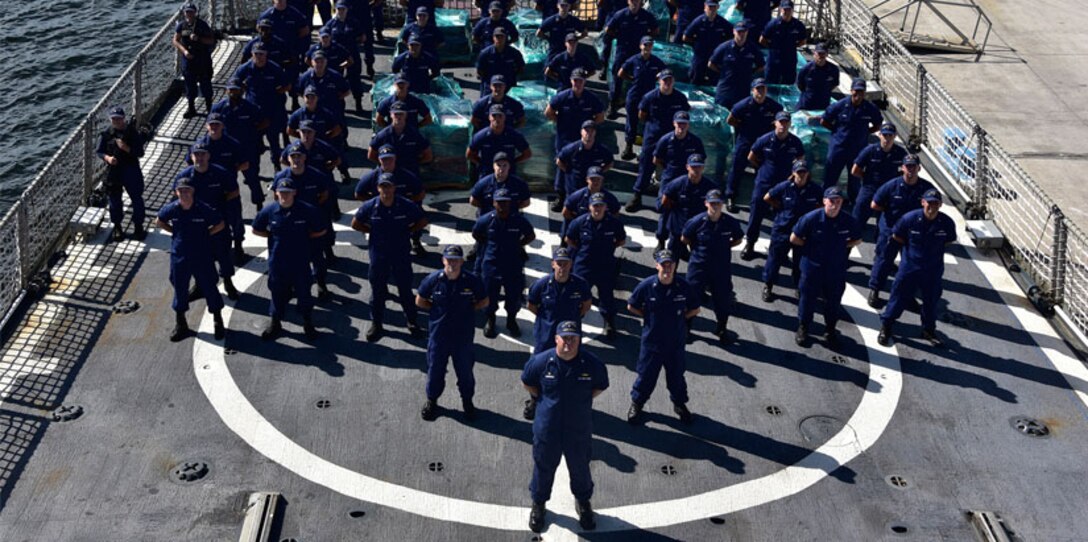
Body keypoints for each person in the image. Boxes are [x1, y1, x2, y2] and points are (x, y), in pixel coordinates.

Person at [522, 320, 609, 533]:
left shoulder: (591, 364)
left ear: (579, 339)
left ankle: (583, 502)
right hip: (547, 429)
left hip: (578, 429)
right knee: (543, 468)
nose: (568, 343)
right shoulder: (541, 362)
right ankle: (539, 504)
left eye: (573, 338)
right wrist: (541, 400)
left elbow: (600, 386)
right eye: (564, 338)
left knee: (580, 467)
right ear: (556, 339)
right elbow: (528, 381)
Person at [351, 173, 428, 342]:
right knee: (377, 292)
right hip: (379, 255)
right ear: (378, 188)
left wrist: (409, 231)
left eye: (389, 186)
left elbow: (422, 220)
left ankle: (412, 321)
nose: (386, 190)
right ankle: (377, 323)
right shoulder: (371, 206)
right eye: (383, 186)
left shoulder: (405, 205)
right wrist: (372, 232)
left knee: (405, 291)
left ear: (394, 188)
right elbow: (355, 223)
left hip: (400, 254)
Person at [627, 249, 700, 424]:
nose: (667, 268)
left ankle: (680, 404)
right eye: (664, 265)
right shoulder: (646, 286)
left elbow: (695, 309)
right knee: (645, 376)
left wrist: (682, 319)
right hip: (652, 343)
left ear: (675, 266)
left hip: (675, 344)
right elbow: (631, 305)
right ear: (657, 265)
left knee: (676, 377)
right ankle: (637, 403)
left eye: (670, 265)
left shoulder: (683, 286)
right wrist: (646, 316)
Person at [417, 245, 489, 421]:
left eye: (456, 260)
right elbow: (420, 300)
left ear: (462, 261)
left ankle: (467, 402)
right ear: (443, 260)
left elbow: (484, 301)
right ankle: (432, 400)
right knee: (435, 371)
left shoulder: (471, 281)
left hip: (462, 338)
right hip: (439, 336)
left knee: (465, 373)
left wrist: (469, 309)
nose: (453, 263)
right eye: (449, 260)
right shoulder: (433, 280)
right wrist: (436, 312)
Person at [878, 189, 956, 347]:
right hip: (909, 269)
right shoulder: (909, 219)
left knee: (931, 302)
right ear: (923, 202)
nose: (932, 207)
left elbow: (949, 240)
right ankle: (886, 326)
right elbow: (896, 237)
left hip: (933, 271)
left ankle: (928, 330)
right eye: (929, 203)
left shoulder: (946, 223)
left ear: (940, 205)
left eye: (935, 203)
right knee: (898, 298)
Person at [251, 178, 327, 341]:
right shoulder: (270, 211)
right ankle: (275, 322)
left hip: (300, 262)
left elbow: (320, 230)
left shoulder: (306, 210)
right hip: (278, 262)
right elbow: (257, 229)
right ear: (277, 193)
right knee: (277, 293)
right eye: (282, 193)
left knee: (304, 293)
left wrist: (305, 238)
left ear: (294, 193)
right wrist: (272, 236)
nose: (285, 196)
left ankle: (307, 323)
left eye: (288, 192)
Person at [790, 187, 862, 347]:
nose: (835, 205)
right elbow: (794, 238)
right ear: (824, 201)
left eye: (838, 202)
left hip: (835, 270)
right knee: (807, 300)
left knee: (833, 302)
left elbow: (857, 239)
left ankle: (830, 330)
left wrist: (841, 247)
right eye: (831, 201)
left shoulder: (848, 221)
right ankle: (804, 327)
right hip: (812, 269)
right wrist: (810, 248)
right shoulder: (811, 218)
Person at [156, 179, 226, 342]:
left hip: (201, 255)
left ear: (193, 192)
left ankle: (217, 320)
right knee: (179, 287)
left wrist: (207, 234)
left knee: (210, 286)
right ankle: (181, 323)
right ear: (177, 193)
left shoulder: (202, 209)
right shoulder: (173, 208)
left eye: (187, 190)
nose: (185, 194)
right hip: (180, 256)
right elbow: (159, 221)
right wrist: (174, 232)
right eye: (181, 191)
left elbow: (220, 224)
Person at [867, 154, 935, 307]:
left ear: (919, 168)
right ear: (902, 168)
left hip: (913, 233)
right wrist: (889, 212)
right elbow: (874, 204)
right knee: (883, 260)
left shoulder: (926, 188)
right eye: (908, 166)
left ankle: (906, 294)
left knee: (910, 265)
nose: (910, 170)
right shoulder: (891, 186)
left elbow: (934, 206)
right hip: (890, 230)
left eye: (914, 166)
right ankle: (875, 290)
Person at [176, 143, 241, 301]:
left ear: (208, 156)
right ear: (191, 157)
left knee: (224, 255)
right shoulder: (184, 177)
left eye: (202, 154)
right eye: (196, 154)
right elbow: (176, 197)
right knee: (198, 258)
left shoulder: (220, 173)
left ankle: (228, 282)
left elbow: (234, 190)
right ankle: (200, 286)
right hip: (197, 226)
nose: (200, 158)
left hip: (218, 225)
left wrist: (221, 207)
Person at [273, 144, 336, 301]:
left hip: (311, 222)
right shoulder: (281, 177)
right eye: (293, 156)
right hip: (291, 225)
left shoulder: (316, 175)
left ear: (305, 157)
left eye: (299, 156)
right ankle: (293, 286)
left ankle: (321, 283)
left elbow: (324, 193)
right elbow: (276, 197)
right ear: (288, 159)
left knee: (317, 256)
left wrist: (313, 211)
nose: (296, 159)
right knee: (292, 259)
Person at [741, 110, 805, 259]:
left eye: (786, 122)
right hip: (764, 182)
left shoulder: (795, 142)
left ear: (789, 124)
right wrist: (762, 169)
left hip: (784, 184)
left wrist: (792, 175)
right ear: (775, 123)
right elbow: (752, 156)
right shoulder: (764, 140)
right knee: (756, 214)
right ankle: (750, 243)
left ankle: (778, 250)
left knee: (784, 217)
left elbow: (801, 158)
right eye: (780, 122)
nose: (783, 125)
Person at [681, 189, 744, 341]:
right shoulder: (697, 221)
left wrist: (724, 247)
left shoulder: (730, 222)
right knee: (691, 298)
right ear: (706, 203)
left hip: (720, 268)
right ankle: (686, 328)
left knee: (723, 299)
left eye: (718, 203)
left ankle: (721, 328)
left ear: (722, 204)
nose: (715, 206)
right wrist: (697, 250)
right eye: (712, 203)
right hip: (699, 266)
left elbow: (738, 239)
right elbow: (685, 238)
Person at [472, 188, 536, 338]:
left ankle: (511, 320)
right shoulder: (486, 220)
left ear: (510, 203)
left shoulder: (518, 220)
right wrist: (488, 245)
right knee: (490, 295)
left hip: (512, 265)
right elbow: (476, 233)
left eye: (505, 202)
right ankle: (491, 320)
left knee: (513, 296)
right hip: (491, 264)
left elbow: (530, 235)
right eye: (499, 203)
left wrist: (519, 245)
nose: (502, 206)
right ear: (494, 203)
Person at [565, 191, 626, 339]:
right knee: (577, 294)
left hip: (605, 265)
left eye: (601, 205)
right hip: (584, 265)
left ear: (606, 207)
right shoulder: (579, 222)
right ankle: (574, 322)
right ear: (589, 207)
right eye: (595, 206)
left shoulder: (614, 223)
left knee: (606, 295)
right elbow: (569, 239)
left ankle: (609, 322)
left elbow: (621, 240)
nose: (597, 209)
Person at [629, 70, 691, 211]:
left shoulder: (680, 98)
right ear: (659, 81)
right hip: (653, 137)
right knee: (646, 166)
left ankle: (667, 198)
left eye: (670, 80)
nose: (667, 83)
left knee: (671, 168)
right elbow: (642, 115)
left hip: (672, 139)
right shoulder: (650, 97)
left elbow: (686, 114)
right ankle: (637, 195)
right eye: (664, 80)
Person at [761, 159, 822, 302]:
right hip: (783, 229)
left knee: (800, 262)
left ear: (808, 173)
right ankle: (768, 285)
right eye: (798, 172)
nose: (801, 175)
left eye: (804, 172)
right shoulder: (784, 187)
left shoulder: (815, 189)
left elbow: (822, 204)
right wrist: (779, 207)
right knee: (774, 259)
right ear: (793, 173)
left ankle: (798, 287)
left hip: (803, 233)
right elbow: (767, 197)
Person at [545, 68, 605, 209]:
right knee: (563, 168)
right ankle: (561, 197)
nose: (578, 83)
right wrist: (560, 122)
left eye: (581, 81)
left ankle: (584, 198)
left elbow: (600, 116)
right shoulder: (563, 97)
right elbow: (549, 112)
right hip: (565, 138)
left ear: (585, 82)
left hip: (584, 140)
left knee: (583, 168)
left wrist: (589, 129)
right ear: (571, 81)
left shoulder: (591, 98)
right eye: (576, 80)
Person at [356, 145, 427, 255]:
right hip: (381, 210)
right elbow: (358, 193)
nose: (387, 162)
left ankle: (416, 242)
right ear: (379, 160)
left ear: (395, 159)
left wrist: (407, 203)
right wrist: (373, 202)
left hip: (402, 210)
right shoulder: (371, 177)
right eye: (384, 159)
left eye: (390, 159)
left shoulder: (406, 175)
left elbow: (420, 193)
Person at [724, 78, 782, 212]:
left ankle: (763, 201)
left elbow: (778, 121)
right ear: (752, 90)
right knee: (737, 169)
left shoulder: (773, 107)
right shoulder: (743, 105)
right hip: (746, 141)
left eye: (763, 89)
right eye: (758, 89)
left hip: (763, 144)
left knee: (763, 173)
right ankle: (730, 196)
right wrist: (743, 128)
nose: (761, 92)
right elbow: (730, 120)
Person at [232, 42, 291, 170]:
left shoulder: (274, 68)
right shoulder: (245, 68)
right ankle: (255, 169)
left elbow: (287, 85)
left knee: (274, 142)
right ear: (252, 55)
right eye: (256, 54)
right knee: (253, 144)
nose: (259, 57)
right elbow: (234, 83)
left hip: (271, 111)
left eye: (261, 54)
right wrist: (243, 89)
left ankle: (276, 165)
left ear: (266, 55)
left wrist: (277, 92)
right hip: (253, 112)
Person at [212, 78, 267, 212]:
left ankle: (259, 203)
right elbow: (211, 125)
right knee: (227, 182)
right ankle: (231, 208)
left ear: (242, 91)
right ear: (226, 91)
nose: (233, 93)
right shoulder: (219, 108)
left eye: (236, 90)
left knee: (253, 179)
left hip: (247, 150)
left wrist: (253, 135)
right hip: (227, 152)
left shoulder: (250, 107)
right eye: (231, 90)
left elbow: (264, 122)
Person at [821, 78, 882, 195]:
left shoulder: (870, 108)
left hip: (857, 149)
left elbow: (878, 124)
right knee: (831, 175)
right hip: (838, 147)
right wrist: (836, 131)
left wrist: (866, 132)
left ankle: (853, 201)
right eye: (856, 92)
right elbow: (824, 120)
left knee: (855, 178)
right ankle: (826, 199)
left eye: (861, 92)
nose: (858, 96)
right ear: (851, 91)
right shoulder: (840, 105)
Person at [527, 247, 593, 354]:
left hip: (570, 332)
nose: (562, 267)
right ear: (553, 264)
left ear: (571, 264)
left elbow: (587, 304)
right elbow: (531, 305)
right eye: (559, 263)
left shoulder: (580, 284)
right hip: (546, 333)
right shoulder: (541, 285)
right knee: (541, 361)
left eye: (565, 263)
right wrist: (545, 318)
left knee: (571, 360)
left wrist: (576, 316)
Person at [96, 106, 147, 242]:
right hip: (114, 171)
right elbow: (99, 151)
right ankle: (117, 226)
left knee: (137, 198)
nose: (117, 121)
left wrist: (126, 148)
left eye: (119, 119)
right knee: (114, 201)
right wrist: (107, 158)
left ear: (124, 118)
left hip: (131, 169)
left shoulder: (132, 133)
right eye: (114, 119)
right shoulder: (107, 134)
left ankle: (138, 225)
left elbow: (140, 152)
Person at [602, 0, 659, 109]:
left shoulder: (646, 16)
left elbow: (655, 30)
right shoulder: (621, 14)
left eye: (637, 1)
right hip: (623, 50)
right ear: (628, 1)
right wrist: (619, 36)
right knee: (617, 78)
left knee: (640, 79)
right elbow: (608, 29)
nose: (635, 3)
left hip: (639, 52)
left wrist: (645, 38)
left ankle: (638, 106)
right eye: (633, 0)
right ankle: (613, 105)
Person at [615, 36, 666, 156]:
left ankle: (645, 150)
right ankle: (628, 147)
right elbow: (620, 72)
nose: (647, 47)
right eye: (645, 45)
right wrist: (631, 78)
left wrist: (658, 78)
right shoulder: (634, 60)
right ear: (640, 46)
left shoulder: (655, 61)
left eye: (650, 45)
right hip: (635, 95)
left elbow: (665, 72)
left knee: (648, 123)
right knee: (631, 121)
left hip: (649, 97)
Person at [658, 153, 719, 253]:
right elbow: (665, 201)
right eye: (693, 166)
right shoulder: (677, 184)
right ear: (687, 167)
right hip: (678, 226)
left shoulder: (710, 187)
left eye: (699, 166)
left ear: (703, 168)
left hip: (698, 227)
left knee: (700, 256)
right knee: (673, 255)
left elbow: (716, 206)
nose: (696, 169)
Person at [850, 122, 907, 227]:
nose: (887, 138)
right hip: (870, 187)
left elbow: (906, 171)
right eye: (885, 135)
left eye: (890, 135)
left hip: (889, 189)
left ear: (895, 136)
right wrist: (867, 178)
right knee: (860, 208)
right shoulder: (870, 150)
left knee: (885, 218)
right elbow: (855, 170)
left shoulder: (900, 153)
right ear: (880, 135)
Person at [557, 128, 615, 226]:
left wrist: (600, 172)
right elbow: (559, 160)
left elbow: (610, 162)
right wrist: (568, 172)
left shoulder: (601, 149)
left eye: (592, 130)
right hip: (575, 184)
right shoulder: (572, 148)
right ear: (581, 132)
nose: (589, 133)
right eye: (586, 130)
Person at [708, 20, 765, 109]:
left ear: (747, 32)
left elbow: (761, 65)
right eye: (739, 32)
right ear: (734, 32)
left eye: (744, 32)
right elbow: (711, 63)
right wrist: (723, 73)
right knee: (721, 115)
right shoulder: (724, 47)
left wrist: (750, 73)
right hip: (725, 89)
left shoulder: (752, 48)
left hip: (743, 90)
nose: (741, 34)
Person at [324, 2, 370, 111]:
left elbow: (363, 37)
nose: (341, 11)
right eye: (338, 9)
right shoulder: (331, 24)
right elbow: (324, 38)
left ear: (347, 10)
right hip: (336, 56)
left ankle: (358, 101)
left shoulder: (353, 22)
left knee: (355, 78)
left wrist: (353, 42)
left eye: (343, 9)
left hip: (352, 53)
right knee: (336, 80)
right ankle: (339, 103)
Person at [173, 3, 216, 119]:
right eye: (187, 12)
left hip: (202, 59)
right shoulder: (181, 26)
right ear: (184, 13)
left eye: (191, 11)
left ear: (195, 12)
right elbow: (176, 40)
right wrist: (184, 51)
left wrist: (199, 39)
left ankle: (209, 107)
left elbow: (211, 40)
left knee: (206, 84)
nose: (189, 14)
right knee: (189, 85)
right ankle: (191, 108)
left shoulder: (202, 25)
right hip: (188, 60)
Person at [368, 102, 433, 177]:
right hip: (389, 176)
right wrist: (385, 164)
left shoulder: (415, 135)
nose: (398, 117)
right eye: (396, 114)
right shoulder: (383, 135)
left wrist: (414, 164)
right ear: (391, 115)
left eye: (401, 114)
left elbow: (428, 156)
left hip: (409, 174)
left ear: (406, 115)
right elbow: (371, 155)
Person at [467, 106, 532, 180]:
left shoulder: (514, 135)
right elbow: (469, 154)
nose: (497, 119)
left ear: (504, 117)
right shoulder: (481, 136)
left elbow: (527, 153)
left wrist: (512, 163)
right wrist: (483, 164)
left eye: (500, 116)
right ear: (489, 117)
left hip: (508, 174)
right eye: (494, 116)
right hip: (487, 174)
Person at [683, 0, 733, 85]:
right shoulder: (699, 21)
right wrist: (697, 43)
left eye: (714, 7)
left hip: (715, 57)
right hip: (700, 56)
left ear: (718, 8)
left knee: (714, 81)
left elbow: (732, 34)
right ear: (705, 7)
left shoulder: (721, 22)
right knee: (695, 79)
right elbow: (685, 37)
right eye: (710, 7)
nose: (712, 10)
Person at [653, 111, 706, 187]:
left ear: (688, 125)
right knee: (664, 198)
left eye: (684, 123)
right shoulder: (665, 140)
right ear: (674, 123)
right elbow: (656, 159)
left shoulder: (695, 141)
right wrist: (669, 168)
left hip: (687, 178)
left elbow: (701, 160)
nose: (681, 126)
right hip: (670, 177)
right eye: (679, 123)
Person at [759, 0, 807, 84]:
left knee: (788, 83)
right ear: (781, 9)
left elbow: (803, 41)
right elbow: (762, 40)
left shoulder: (798, 25)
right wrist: (772, 47)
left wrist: (792, 46)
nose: (786, 12)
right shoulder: (773, 24)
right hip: (774, 59)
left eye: (789, 9)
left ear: (792, 10)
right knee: (771, 83)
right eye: (784, 9)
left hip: (789, 59)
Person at [476, 27, 526, 93]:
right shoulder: (485, 53)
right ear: (493, 38)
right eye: (497, 37)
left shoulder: (514, 53)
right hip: (491, 87)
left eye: (502, 37)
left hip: (509, 86)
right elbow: (480, 71)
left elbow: (521, 68)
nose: (499, 39)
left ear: (506, 38)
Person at [796, 42, 839, 110]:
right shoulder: (806, 69)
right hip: (806, 105)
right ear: (814, 54)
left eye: (823, 54)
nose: (820, 56)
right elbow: (800, 85)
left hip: (823, 106)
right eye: (819, 53)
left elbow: (834, 84)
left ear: (827, 54)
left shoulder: (833, 69)